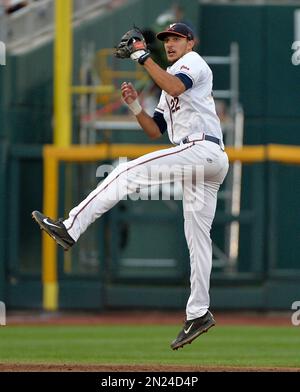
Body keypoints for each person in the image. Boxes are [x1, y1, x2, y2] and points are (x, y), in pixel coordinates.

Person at [32, 22, 229, 350]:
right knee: (198, 240)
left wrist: (142, 56)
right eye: (166, 39)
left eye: (177, 38)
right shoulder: (166, 82)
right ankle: (199, 312)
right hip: (206, 162)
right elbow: (155, 130)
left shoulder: (193, 63)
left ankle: (70, 226)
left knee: (124, 173)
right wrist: (136, 106)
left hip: (201, 150)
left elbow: (177, 87)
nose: (170, 43)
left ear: (190, 42)